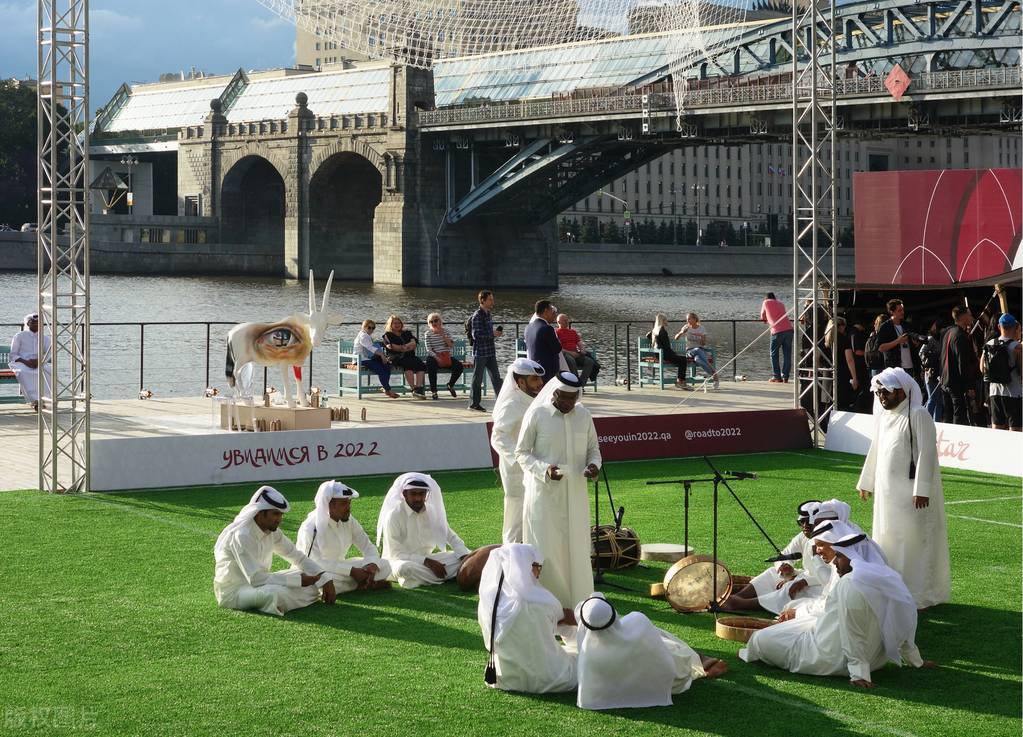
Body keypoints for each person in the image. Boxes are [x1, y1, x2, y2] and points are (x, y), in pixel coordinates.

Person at [740, 528, 936, 688]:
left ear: (854, 557)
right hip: (877, 659)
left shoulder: (851, 583)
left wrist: (859, 673)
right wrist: (915, 660)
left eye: (841, 556)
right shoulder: (887, 576)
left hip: (834, 657)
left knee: (760, 640)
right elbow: (903, 622)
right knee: (792, 624)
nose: (836, 561)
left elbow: (853, 631)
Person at [857, 368, 951, 609]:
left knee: (913, 541)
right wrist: (866, 482)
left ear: (901, 391)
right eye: (878, 393)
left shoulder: (918, 414)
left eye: (885, 392)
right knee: (889, 538)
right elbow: (876, 449)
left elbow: (928, 453)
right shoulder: (885, 416)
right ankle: (892, 588)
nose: (881, 397)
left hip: (912, 496)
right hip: (888, 496)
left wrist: (922, 489)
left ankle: (920, 593)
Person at [515, 371, 601, 608]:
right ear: (554, 393)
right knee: (547, 548)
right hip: (544, 494)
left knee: (576, 546)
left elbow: (594, 449)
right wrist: (544, 470)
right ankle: (546, 603)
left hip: (575, 494)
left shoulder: (583, 415)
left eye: (571, 399)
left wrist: (594, 465)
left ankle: (579, 602)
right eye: (562, 398)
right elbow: (521, 453)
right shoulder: (537, 413)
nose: (566, 403)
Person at [574, 594, 727, 710]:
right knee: (667, 643)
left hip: (619, 686)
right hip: (666, 682)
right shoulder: (637, 621)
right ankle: (699, 659)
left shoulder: (588, 656)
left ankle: (698, 660)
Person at [213, 486, 329, 616]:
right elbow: (256, 579)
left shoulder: (273, 531)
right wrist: (298, 581)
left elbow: (296, 555)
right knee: (274, 593)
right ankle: (275, 602)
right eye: (275, 514)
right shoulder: (242, 535)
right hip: (235, 592)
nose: (279, 519)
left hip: (262, 583)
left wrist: (325, 578)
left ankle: (279, 602)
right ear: (260, 513)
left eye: (281, 514)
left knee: (304, 573)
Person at [478, 544, 578, 694]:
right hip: (552, 679)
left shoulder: (488, 602)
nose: (538, 573)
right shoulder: (544, 601)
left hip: (504, 678)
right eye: (538, 566)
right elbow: (563, 624)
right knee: (584, 656)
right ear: (527, 567)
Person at [291, 480, 392, 605]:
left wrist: (371, 564)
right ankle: (363, 583)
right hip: (315, 572)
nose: (348, 507)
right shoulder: (311, 527)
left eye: (349, 503)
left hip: (341, 567)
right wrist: (352, 571)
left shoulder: (349, 520)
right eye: (344, 503)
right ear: (329, 505)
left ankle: (362, 581)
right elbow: (314, 563)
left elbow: (368, 547)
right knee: (323, 581)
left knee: (385, 564)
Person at [722, 500, 831, 614]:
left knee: (791, 588)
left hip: (822, 586)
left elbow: (831, 575)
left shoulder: (830, 539)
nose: (805, 526)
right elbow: (785, 554)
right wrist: (785, 567)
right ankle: (737, 597)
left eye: (809, 522)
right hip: (806, 576)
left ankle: (740, 604)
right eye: (801, 522)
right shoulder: (803, 536)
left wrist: (804, 581)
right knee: (772, 572)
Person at [376, 472, 471, 588]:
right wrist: (426, 562)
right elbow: (396, 553)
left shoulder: (432, 512)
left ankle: (417, 580)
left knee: (462, 555)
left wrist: (466, 557)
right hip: (397, 562)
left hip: (428, 560)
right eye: (414, 494)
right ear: (405, 494)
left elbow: (451, 537)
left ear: (426, 494)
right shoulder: (394, 516)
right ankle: (451, 573)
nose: (418, 498)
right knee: (405, 568)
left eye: (422, 494)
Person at [490, 358, 546, 544]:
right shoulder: (511, 404)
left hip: (536, 464)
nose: (540, 383)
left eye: (539, 379)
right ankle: (511, 552)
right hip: (516, 468)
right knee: (517, 508)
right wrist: (521, 459)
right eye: (534, 379)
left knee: (536, 508)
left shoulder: (537, 400)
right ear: (520, 382)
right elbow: (498, 437)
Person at [981, 313, 1021, 431]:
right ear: (1014, 327)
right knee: (1016, 431)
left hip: (995, 393)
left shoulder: (989, 344)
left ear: (999, 326)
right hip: (1014, 393)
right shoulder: (1017, 347)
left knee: (997, 429)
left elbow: (982, 368)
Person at [939, 305, 978, 426]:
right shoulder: (960, 336)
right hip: (955, 381)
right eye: (969, 314)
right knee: (959, 414)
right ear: (962, 316)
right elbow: (963, 363)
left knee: (948, 414)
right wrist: (969, 386)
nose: (971, 317)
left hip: (945, 380)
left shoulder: (947, 331)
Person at [468, 290, 504, 412]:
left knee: (496, 378)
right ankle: (474, 404)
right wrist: (492, 333)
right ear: (482, 300)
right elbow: (476, 335)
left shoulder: (488, 314)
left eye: (492, 299)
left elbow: (486, 333)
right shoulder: (477, 315)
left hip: (490, 351)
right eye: (490, 299)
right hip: (481, 352)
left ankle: (501, 402)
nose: (492, 301)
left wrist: (494, 334)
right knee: (477, 378)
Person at [8, 313, 50, 409]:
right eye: (33, 323)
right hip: (21, 362)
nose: (36, 325)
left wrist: (39, 361)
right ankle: (34, 400)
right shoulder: (19, 336)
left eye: (38, 323)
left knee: (48, 371)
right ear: (28, 324)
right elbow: (13, 354)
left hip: (39, 362)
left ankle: (43, 399)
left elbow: (49, 353)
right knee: (24, 372)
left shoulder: (45, 338)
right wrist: (26, 362)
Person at [383, 315, 427, 399]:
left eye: (399, 323)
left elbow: (413, 344)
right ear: (390, 324)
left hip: (410, 356)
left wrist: (403, 347)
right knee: (408, 365)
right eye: (395, 323)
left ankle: (417, 389)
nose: (397, 324)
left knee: (421, 366)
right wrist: (406, 347)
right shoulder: (387, 335)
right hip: (397, 357)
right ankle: (414, 389)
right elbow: (394, 348)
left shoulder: (407, 333)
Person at [875, 299, 921, 378]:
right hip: (895, 368)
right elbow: (880, 348)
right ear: (892, 312)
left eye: (903, 309)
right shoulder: (885, 327)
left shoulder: (907, 325)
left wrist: (915, 343)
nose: (902, 312)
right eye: (899, 310)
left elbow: (914, 344)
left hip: (911, 367)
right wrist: (898, 341)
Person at [424, 312, 464, 400]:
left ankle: (450, 384)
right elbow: (429, 349)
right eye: (431, 322)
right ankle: (434, 391)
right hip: (434, 356)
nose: (434, 323)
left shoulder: (446, 331)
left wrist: (442, 335)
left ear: (440, 321)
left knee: (459, 366)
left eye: (436, 320)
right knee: (430, 365)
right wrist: (437, 358)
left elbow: (451, 345)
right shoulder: (428, 333)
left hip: (446, 356)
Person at [354, 320, 398, 399]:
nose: (371, 330)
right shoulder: (363, 335)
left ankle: (385, 388)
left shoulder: (366, 335)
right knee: (379, 369)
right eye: (369, 327)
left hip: (368, 358)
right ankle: (388, 389)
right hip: (360, 359)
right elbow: (370, 348)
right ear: (364, 327)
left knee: (387, 365)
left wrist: (383, 356)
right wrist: (382, 355)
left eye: (373, 328)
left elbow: (371, 348)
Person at [675, 312, 719, 390]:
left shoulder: (701, 328)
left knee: (698, 360)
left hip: (700, 351)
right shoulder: (686, 327)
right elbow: (676, 338)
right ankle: (714, 374)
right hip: (690, 351)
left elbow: (703, 343)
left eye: (689, 319)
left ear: (695, 319)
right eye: (687, 319)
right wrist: (682, 332)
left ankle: (713, 375)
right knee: (697, 349)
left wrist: (702, 337)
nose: (688, 321)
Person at [554, 313, 600, 386]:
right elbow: (559, 349)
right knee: (571, 361)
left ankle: (581, 385)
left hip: (576, 353)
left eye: (567, 320)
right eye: (565, 320)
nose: (567, 322)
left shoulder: (573, 332)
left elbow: (579, 343)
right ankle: (574, 383)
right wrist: (571, 353)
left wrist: (582, 349)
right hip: (565, 355)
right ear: (559, 322)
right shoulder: (556, 333)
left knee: (590, 361)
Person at [525, 300, 563, 383]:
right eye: (552, 311)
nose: (554, 315)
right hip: (548, 371)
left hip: (533, 367)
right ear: (546, 311)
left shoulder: (528, 327)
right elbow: (557, 348)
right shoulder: (547, 328)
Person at [825, 317, 858, 410]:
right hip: (842, 372)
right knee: (842, 402)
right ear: (842, 326)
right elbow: (849, 359)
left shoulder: (825, 340)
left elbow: (817, 358)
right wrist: (854, 377)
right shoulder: (844, 339)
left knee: (829, 402)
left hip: (827, 373)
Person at [650, 313, 690, 389]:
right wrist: (674, 354)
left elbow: (648, 335)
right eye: (665, 320)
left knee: (681, 359)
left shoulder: (655, 330)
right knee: (683, 360)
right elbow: (666, 346)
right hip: (664, 354)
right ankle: (680, 381)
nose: (667, 321)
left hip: (658, 354)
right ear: (663, 321)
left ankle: (680, 381)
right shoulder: (662, 331)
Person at [760, 292, 793, 383]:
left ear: (766, 298)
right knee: (787, 354)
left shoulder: (766, 302)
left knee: (774, 354)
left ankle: (777, 376)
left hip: (777, 331)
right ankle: (785, 377)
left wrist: (766, 320)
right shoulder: (781, 303)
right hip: (789, 330)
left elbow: (762, 316)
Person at [919, 319, 944, 423]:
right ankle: (926, 422)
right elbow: (921, 353)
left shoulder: (941, 339)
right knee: (932, 398)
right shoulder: (930, 339)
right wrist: (931, 359)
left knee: (938, 400)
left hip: (938, 371)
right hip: (929, 372)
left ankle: (936, 422)